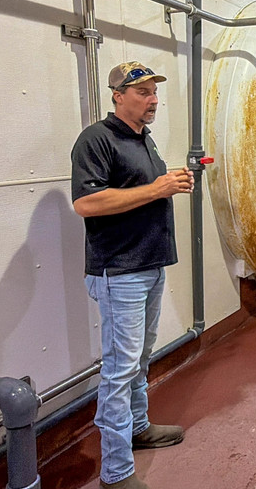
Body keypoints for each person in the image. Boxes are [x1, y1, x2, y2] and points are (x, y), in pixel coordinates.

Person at [71, 61, 193, 489]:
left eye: (154, 92)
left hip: (149, 266)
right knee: (120, 371)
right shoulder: (97, 139)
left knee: (139, 360)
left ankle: (138, 428)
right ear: (118, 96)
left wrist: (169, 181)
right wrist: (158, 188)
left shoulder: (144, 139)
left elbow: (138, 192)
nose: (153, 99)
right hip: (120, 271)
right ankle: (117, 472)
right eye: (142, 92)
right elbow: (86, 204)